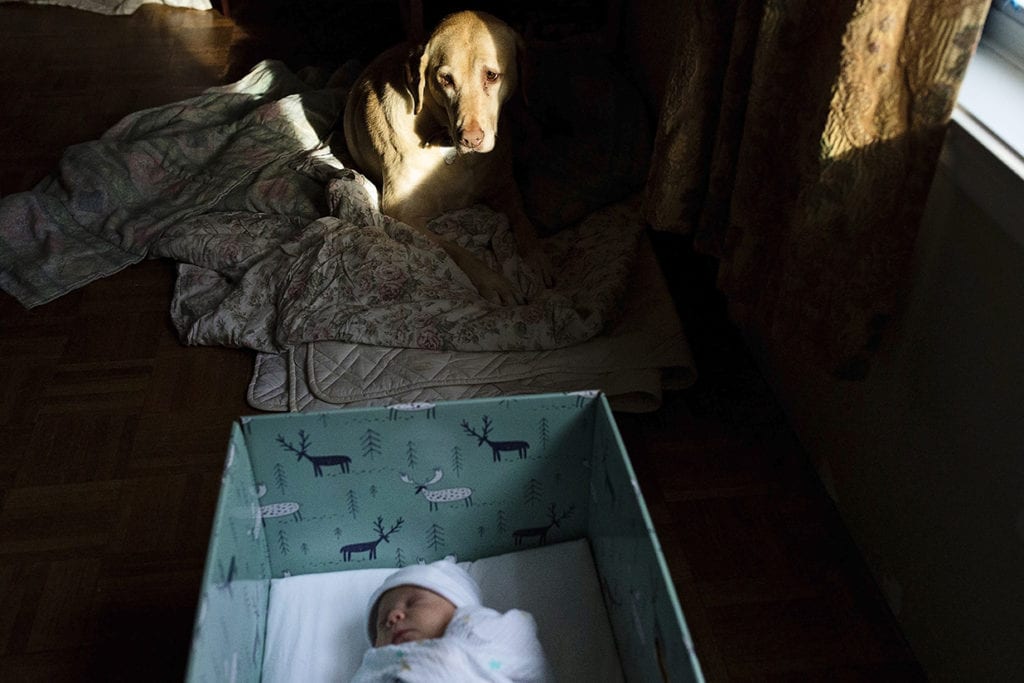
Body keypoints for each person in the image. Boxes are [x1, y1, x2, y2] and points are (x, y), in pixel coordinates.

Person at [351, 556, 553, 682]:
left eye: (412, 603)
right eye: (382, 623)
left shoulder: (479, 626)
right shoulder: (372, 668)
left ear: (457, 606)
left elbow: (519, 646)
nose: (393, 617)